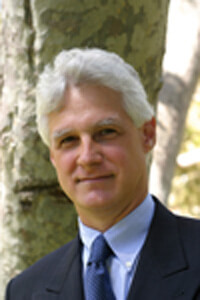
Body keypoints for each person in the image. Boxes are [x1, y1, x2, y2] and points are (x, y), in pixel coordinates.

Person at [5, 48, 200, 300]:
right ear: (53, 157)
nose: (87, 157)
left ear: (148, 134)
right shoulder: (24, 292)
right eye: (68, 140)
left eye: (106, 132)